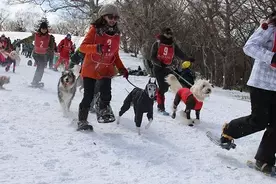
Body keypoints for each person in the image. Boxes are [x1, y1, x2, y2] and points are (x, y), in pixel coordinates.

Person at [218, 12, 276, 175]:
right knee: (259, 120)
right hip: (262, 83)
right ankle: (229, 131)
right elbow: (249, 47)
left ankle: (264, 160)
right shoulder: (269, 28)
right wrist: (271, 57)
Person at [77, 3, 129, 130]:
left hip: (106, 69)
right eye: (110, 17)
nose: (113, 20)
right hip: (90, 68)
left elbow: (115, 54)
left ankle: (103, 110)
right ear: (103, 17)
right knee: (88, 96)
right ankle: (82, 120)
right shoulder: (94, 30)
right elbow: (83, 47)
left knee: (106, 93)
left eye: (115, 18)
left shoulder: (117, 34)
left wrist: (122, 68)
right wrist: (97, 48)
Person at [150, 28, 193, 114]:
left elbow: (180, 53)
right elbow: (152, 57)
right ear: (163, 33)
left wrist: (188, 59)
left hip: (168, 68)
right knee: (162, 87)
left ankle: (156, 95)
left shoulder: (173, 45)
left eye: (171, 33)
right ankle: (160, 108)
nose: (169, 35)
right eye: (167, 33)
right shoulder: (157, 44)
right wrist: (159, 63)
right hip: (158, 68)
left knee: (165, 88)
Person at [18, 21, 54, 87]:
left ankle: (36, 81)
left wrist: (50, 51)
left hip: (43, 55)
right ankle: (35, 81)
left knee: (41, 68)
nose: (43, 30)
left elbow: (52, 47)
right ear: (40, 28)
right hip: (36, 54)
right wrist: (20, 41)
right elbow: (28, 39)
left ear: (47, 29)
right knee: (40, 67)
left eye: (45, 29)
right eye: (42, 29)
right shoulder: (36, 35)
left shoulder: (49, 37)